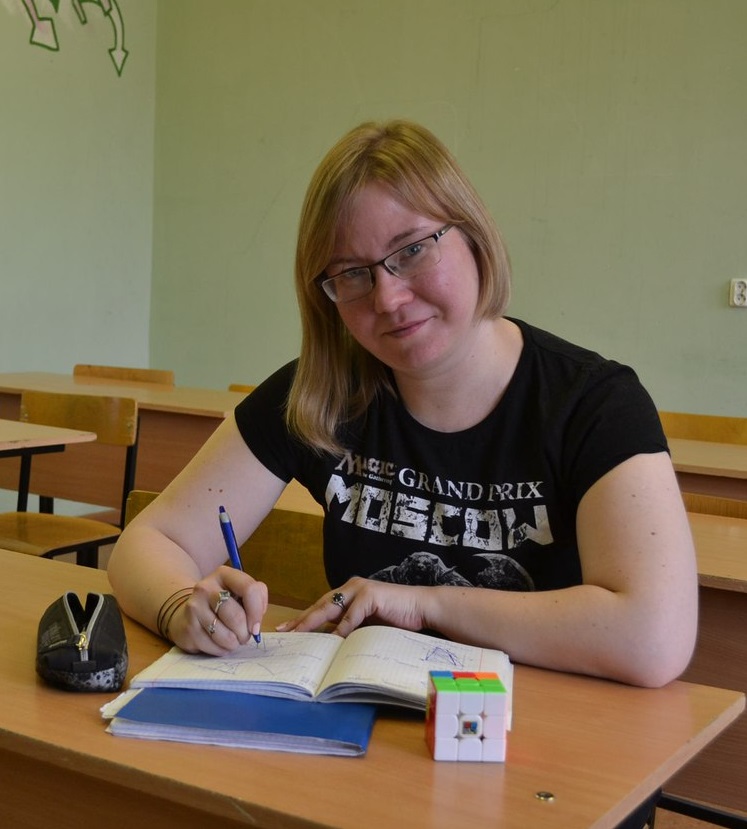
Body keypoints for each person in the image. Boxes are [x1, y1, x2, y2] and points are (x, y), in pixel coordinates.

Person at [108, 119, 698, 692]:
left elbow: (655, 636)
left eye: (412, 250)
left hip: (536, 730)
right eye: (352, 274)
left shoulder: (595, 403)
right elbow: (147, 543)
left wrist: (423, 605)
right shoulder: (319, 394)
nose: (388, 298)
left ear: (472, 235)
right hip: (366, 725)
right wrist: (182, 606)